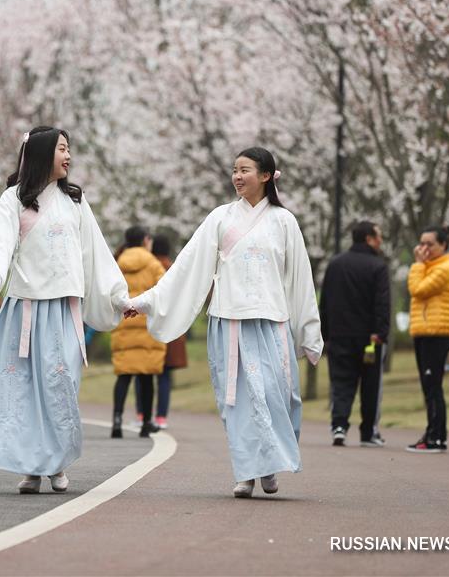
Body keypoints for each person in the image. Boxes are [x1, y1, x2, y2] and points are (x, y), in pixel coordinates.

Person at [126, 147, 322, 498]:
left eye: (244, 170)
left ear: (265, 176)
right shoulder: (220, 218)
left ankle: (271, 464)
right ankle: (247, 472)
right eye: (234, 170)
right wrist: (145, 302)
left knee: (279, 396)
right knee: (239, 401)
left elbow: (300, 279)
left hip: (271, 320)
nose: (236, 176)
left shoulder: (284, 222)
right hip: (229, 321)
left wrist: (309, 332)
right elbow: (186, 268)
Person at [0, 126, 128, 494]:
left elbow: (95, 254)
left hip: (64, 310)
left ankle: (57, 463)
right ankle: (32, 468)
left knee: (60, 385)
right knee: (23, 388)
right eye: (62, 149)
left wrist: (116, 296)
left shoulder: (75, 202)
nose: (68, 156)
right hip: (25, 312)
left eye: (69, 149)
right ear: (41, 154)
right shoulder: (14, 200)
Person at [320, 221, 390, 447]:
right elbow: (382, 303)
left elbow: (325, 300)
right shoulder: (377, 266)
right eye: (378, 236)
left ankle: (339, 425)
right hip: (369, 338)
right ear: (369, 238)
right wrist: (381, 332)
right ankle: (368, 432)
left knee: (340, 382)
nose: (381, 241)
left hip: (339, 335)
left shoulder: (335, 264)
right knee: (370, 384)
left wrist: (325, 332)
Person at [406, 225, 449, 453]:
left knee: (433, 385)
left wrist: (418, 264)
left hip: (436, 333)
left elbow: (417, 289)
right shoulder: (431, 267)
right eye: (422, 243)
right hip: (425, 332)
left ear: (443, 245)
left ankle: (436, 437)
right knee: (429, 387)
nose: (424, 248)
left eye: (430, 244)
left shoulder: (444, 268)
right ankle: (433, 433)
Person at [111, 225, 166, 438]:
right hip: (145, 325)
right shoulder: (153, 264)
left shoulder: (117, 264)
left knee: (124, 375)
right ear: (145, 240)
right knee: (146, 377)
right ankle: (146, 423)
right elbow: (163, 290)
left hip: (124, 324)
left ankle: (117, 420)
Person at [134, 234, 188, 430]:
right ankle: (161, 417)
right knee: (165, 376)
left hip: (149, 327)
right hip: (172, 328)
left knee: (143, 373)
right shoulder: (175, 269)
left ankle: (142, 414)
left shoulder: (148, 267)